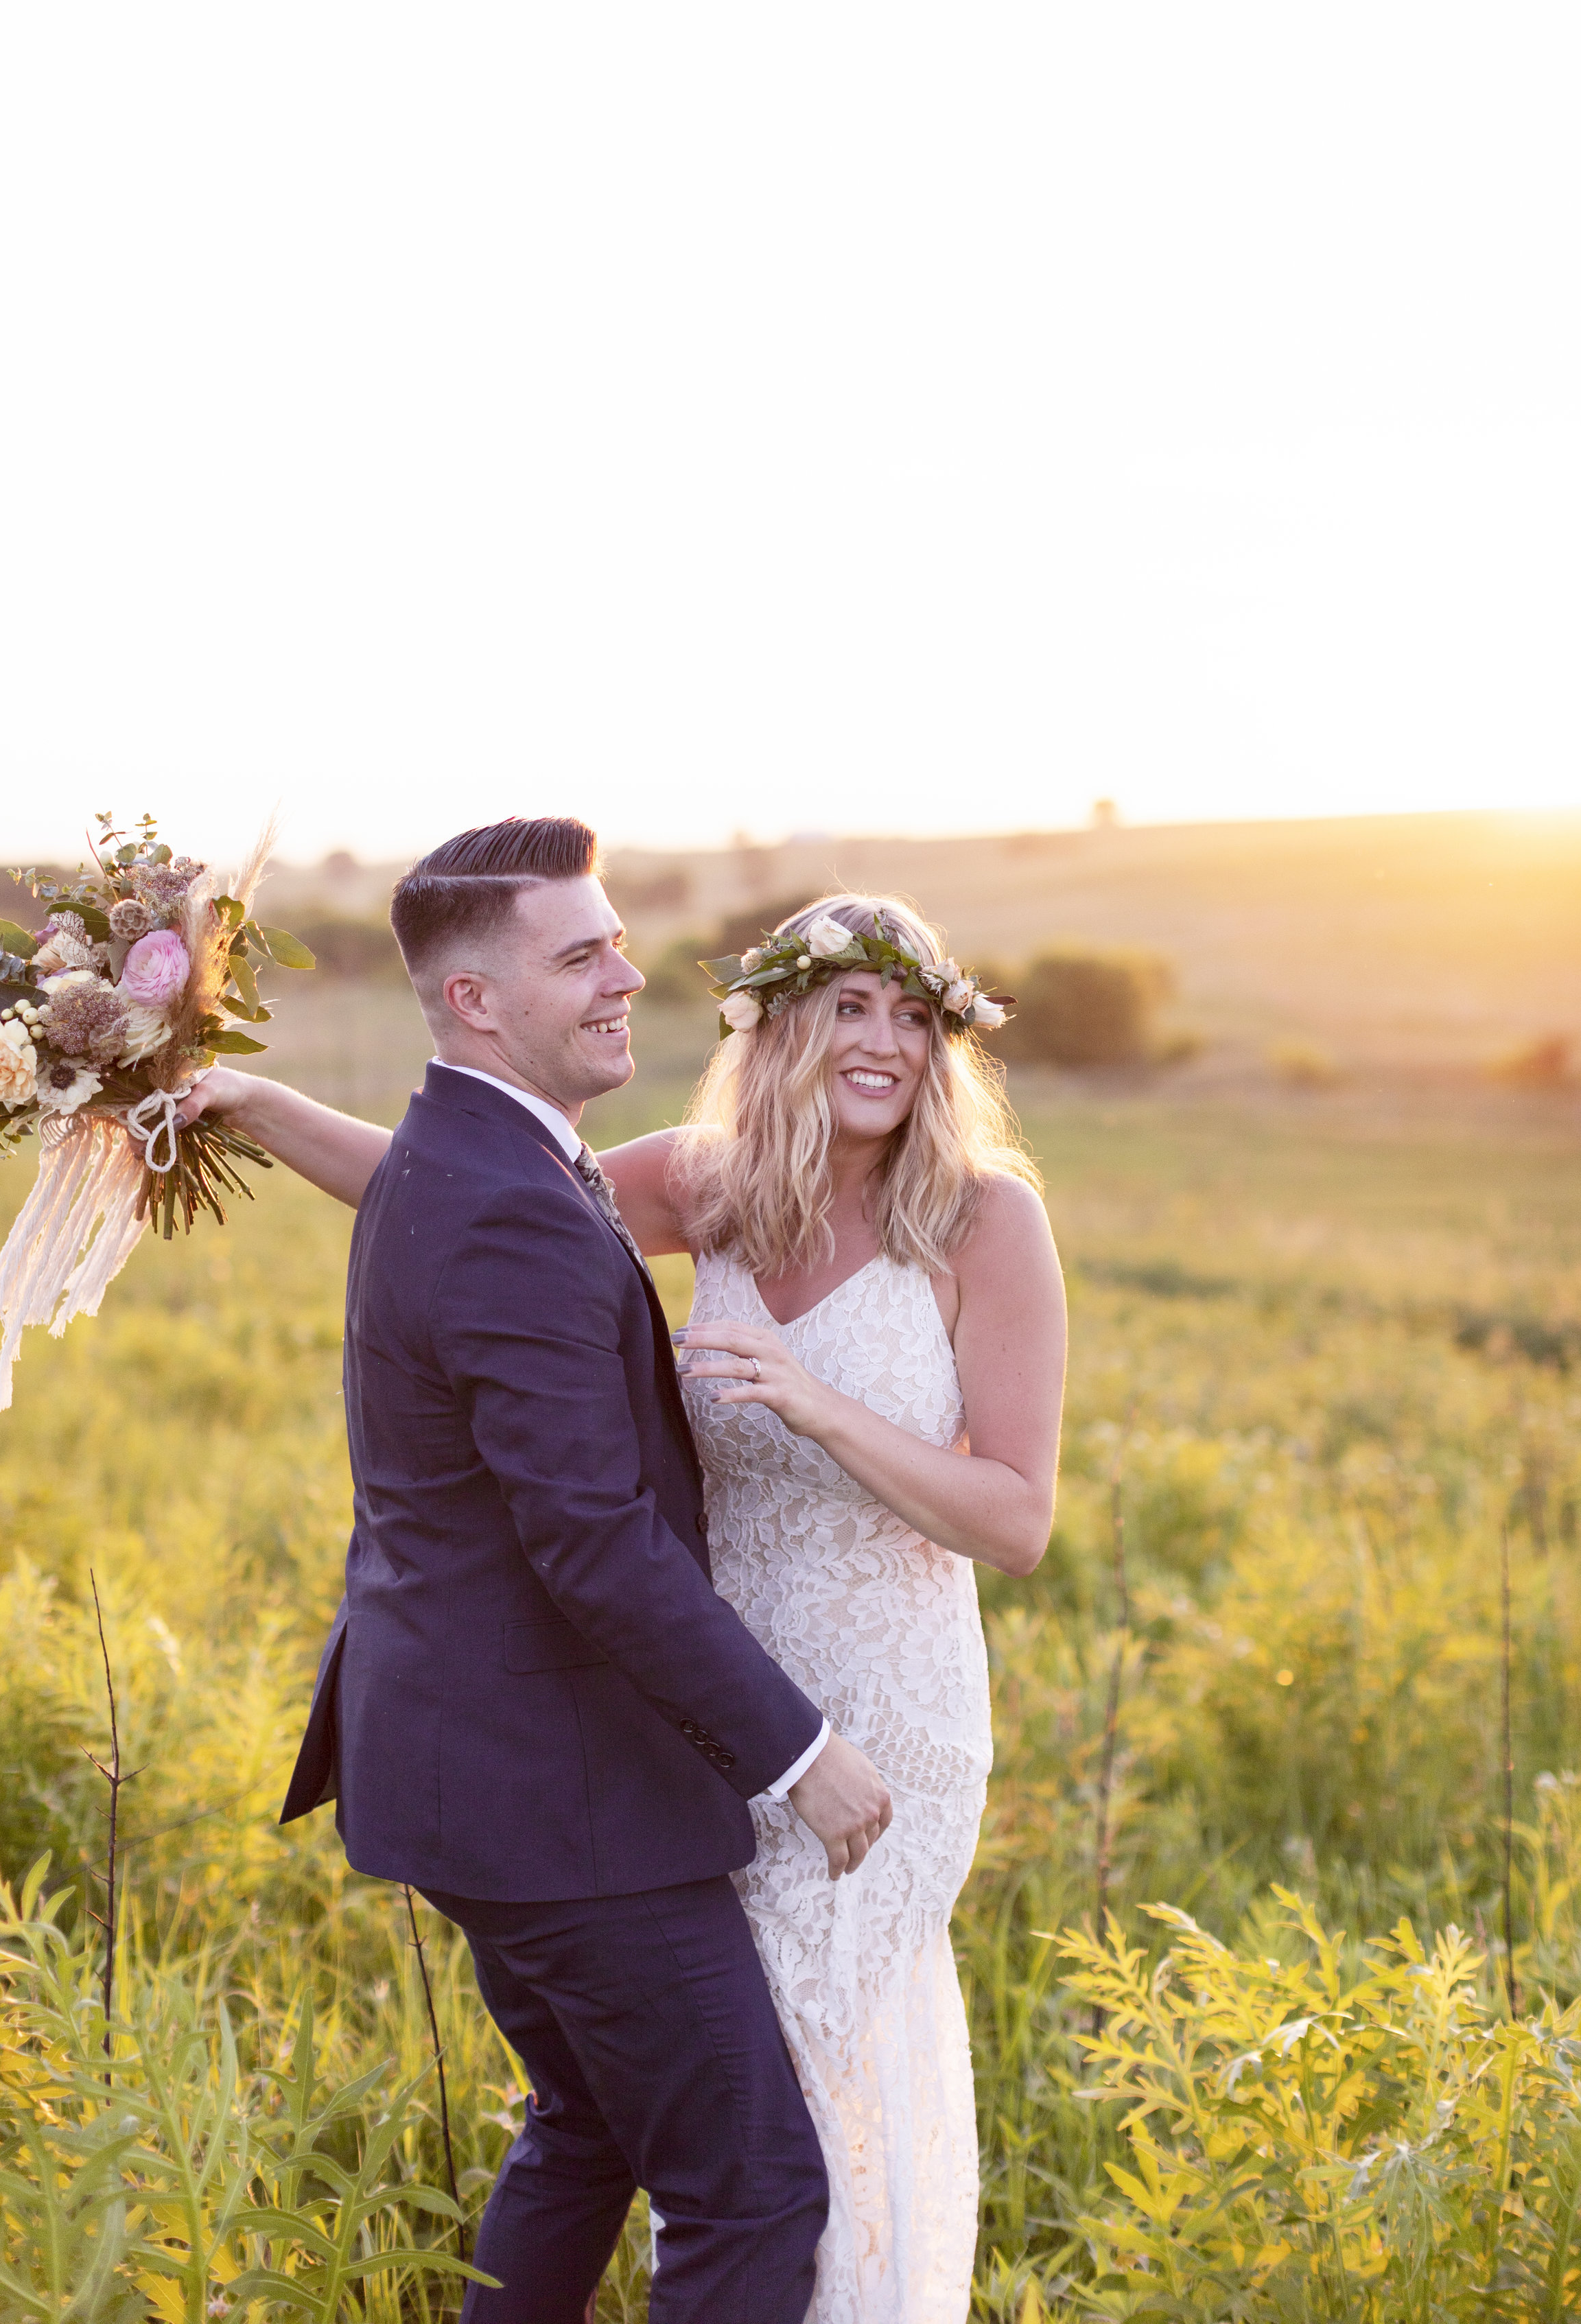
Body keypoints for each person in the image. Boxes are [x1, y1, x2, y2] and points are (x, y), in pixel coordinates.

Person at [189, 833, 1067, 2324]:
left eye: (913, 1015)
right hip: (695, 1707)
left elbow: (1015, 1520)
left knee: (807, 2098)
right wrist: (267, 1109)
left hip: (881, 1714)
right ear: (777, 1025)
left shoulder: (982, 1219)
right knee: (714, 2126)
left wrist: (816, 1403)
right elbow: (466, 1194)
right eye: (846, 1006)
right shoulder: (709, 1182)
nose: (882, 1044)